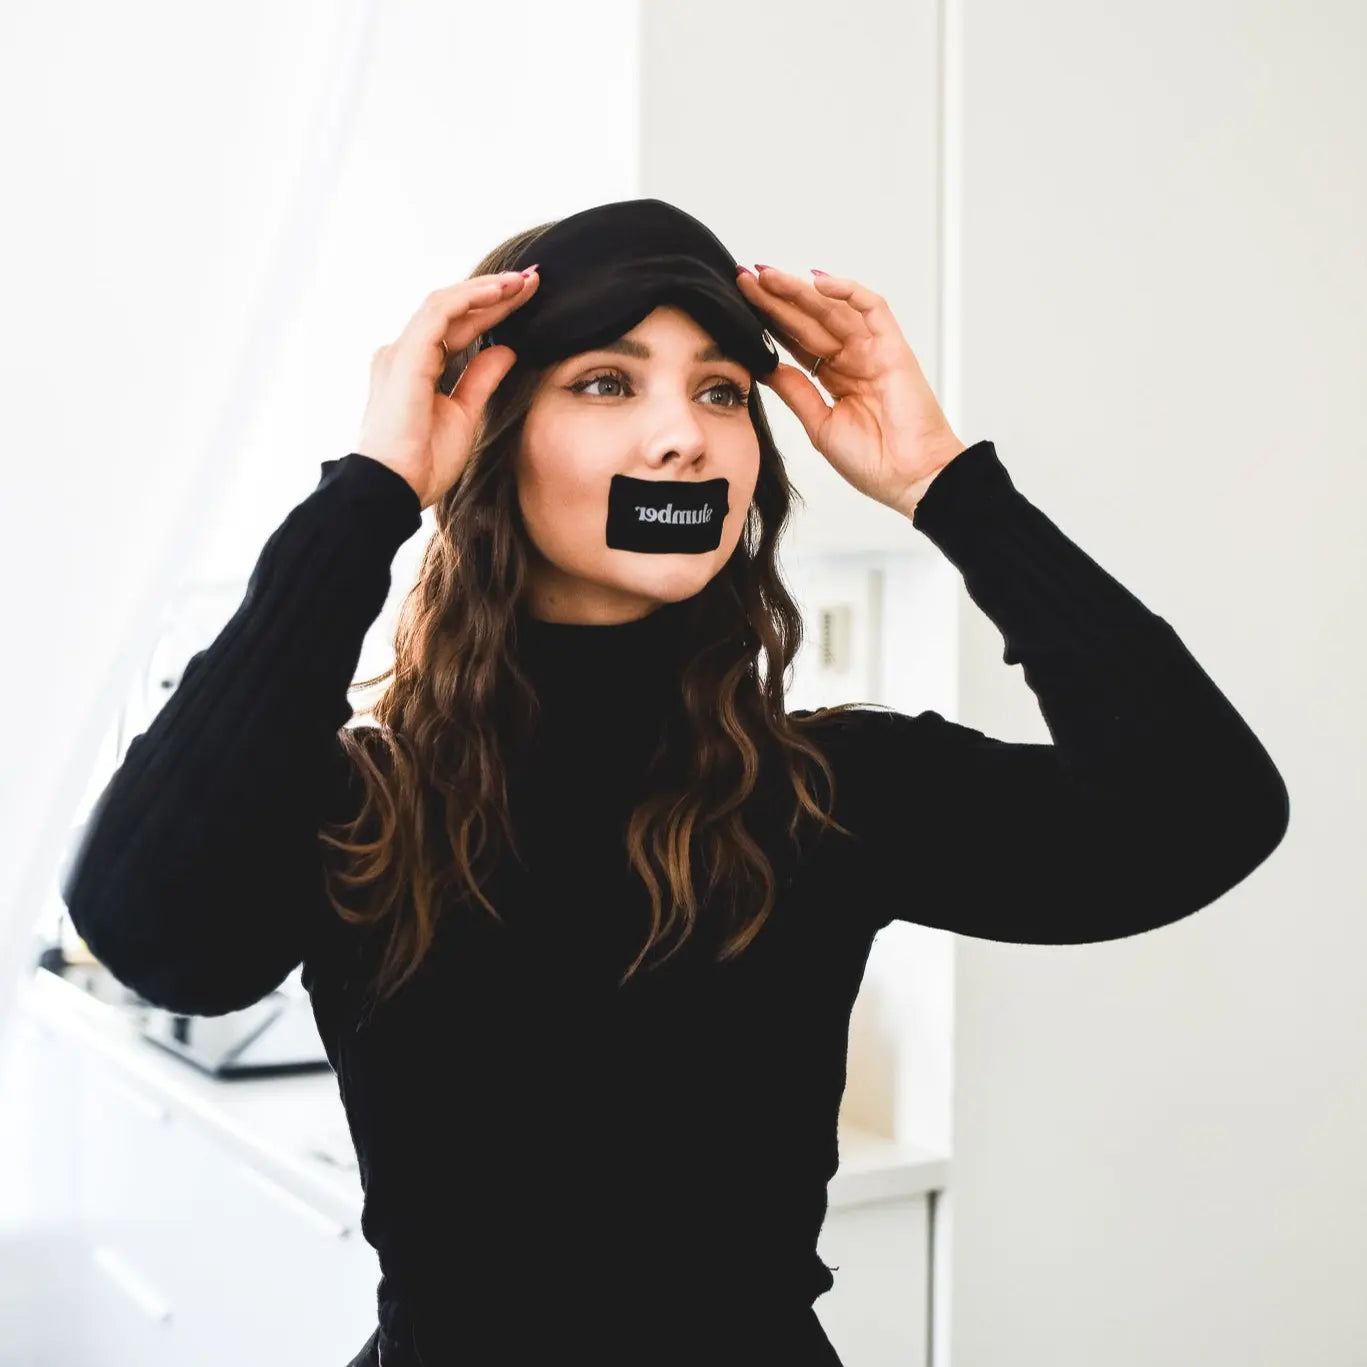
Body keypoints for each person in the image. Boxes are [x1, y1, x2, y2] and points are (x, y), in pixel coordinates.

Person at [61, 198, 1290, 1367]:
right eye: (606, 381)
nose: (683, 433)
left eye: (720, 390)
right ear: (488, 435)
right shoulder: (365, 806)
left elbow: (1202, 810)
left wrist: (947, 483)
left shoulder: (826, 791)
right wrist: (370, 495)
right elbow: (150, 932)